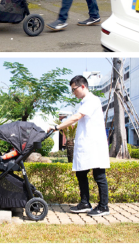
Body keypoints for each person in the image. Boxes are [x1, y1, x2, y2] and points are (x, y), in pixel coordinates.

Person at [49, 75, 110, 216]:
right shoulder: (83, 102)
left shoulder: (92, 100)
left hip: (94, 144)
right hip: (86, 144)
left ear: (83, 86)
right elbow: (74, 118)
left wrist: (57, 127)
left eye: (74, 89)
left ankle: (103, 206)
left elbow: (76, 117)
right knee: (81, 173)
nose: (73, 92)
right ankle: (85, 203)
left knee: (99, 175)